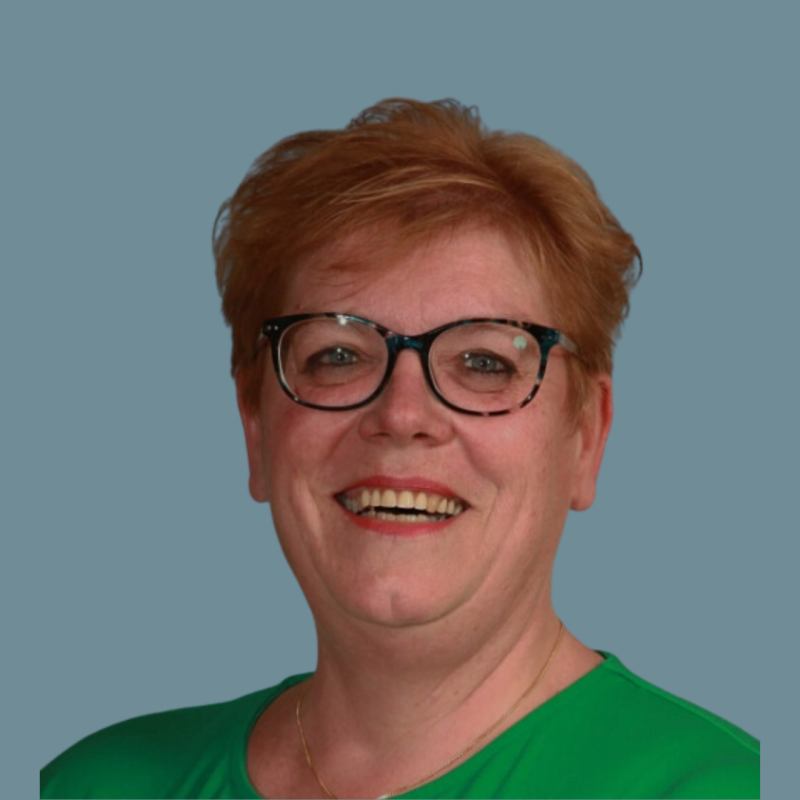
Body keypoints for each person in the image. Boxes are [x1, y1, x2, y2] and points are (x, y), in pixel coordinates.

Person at [40, 98, 759, 799]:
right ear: (255, 427)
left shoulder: (719, 787)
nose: (403, 414)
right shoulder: (94, 785)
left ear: (587, 437)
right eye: (337, 356)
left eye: (484, 362)